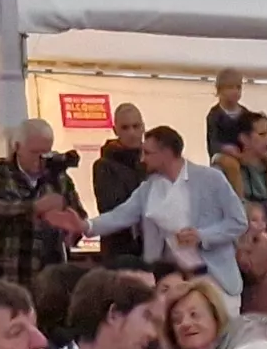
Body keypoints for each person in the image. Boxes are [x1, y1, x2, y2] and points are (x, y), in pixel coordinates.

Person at [86, 127, 250, 301]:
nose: (142, 159)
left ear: (166, 153)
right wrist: (86, 226)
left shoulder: (211, 179)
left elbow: (239, 222)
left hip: (215, 278)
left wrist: (202, 235)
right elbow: (121, 215)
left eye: (148, 153)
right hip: (175, 281)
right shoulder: (149, 188)